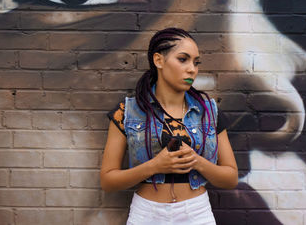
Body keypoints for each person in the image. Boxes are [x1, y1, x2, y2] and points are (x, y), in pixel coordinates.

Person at [100, 27, 238, 225]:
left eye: (196, 62)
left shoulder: (209, 112)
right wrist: (155, 166)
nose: (192, 69)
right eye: (183, 59)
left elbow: (231, 178)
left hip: (197, 213)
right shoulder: (127, 112)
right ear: (159, 60)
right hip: (147, 214)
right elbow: (108, 181)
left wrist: (197, 162)